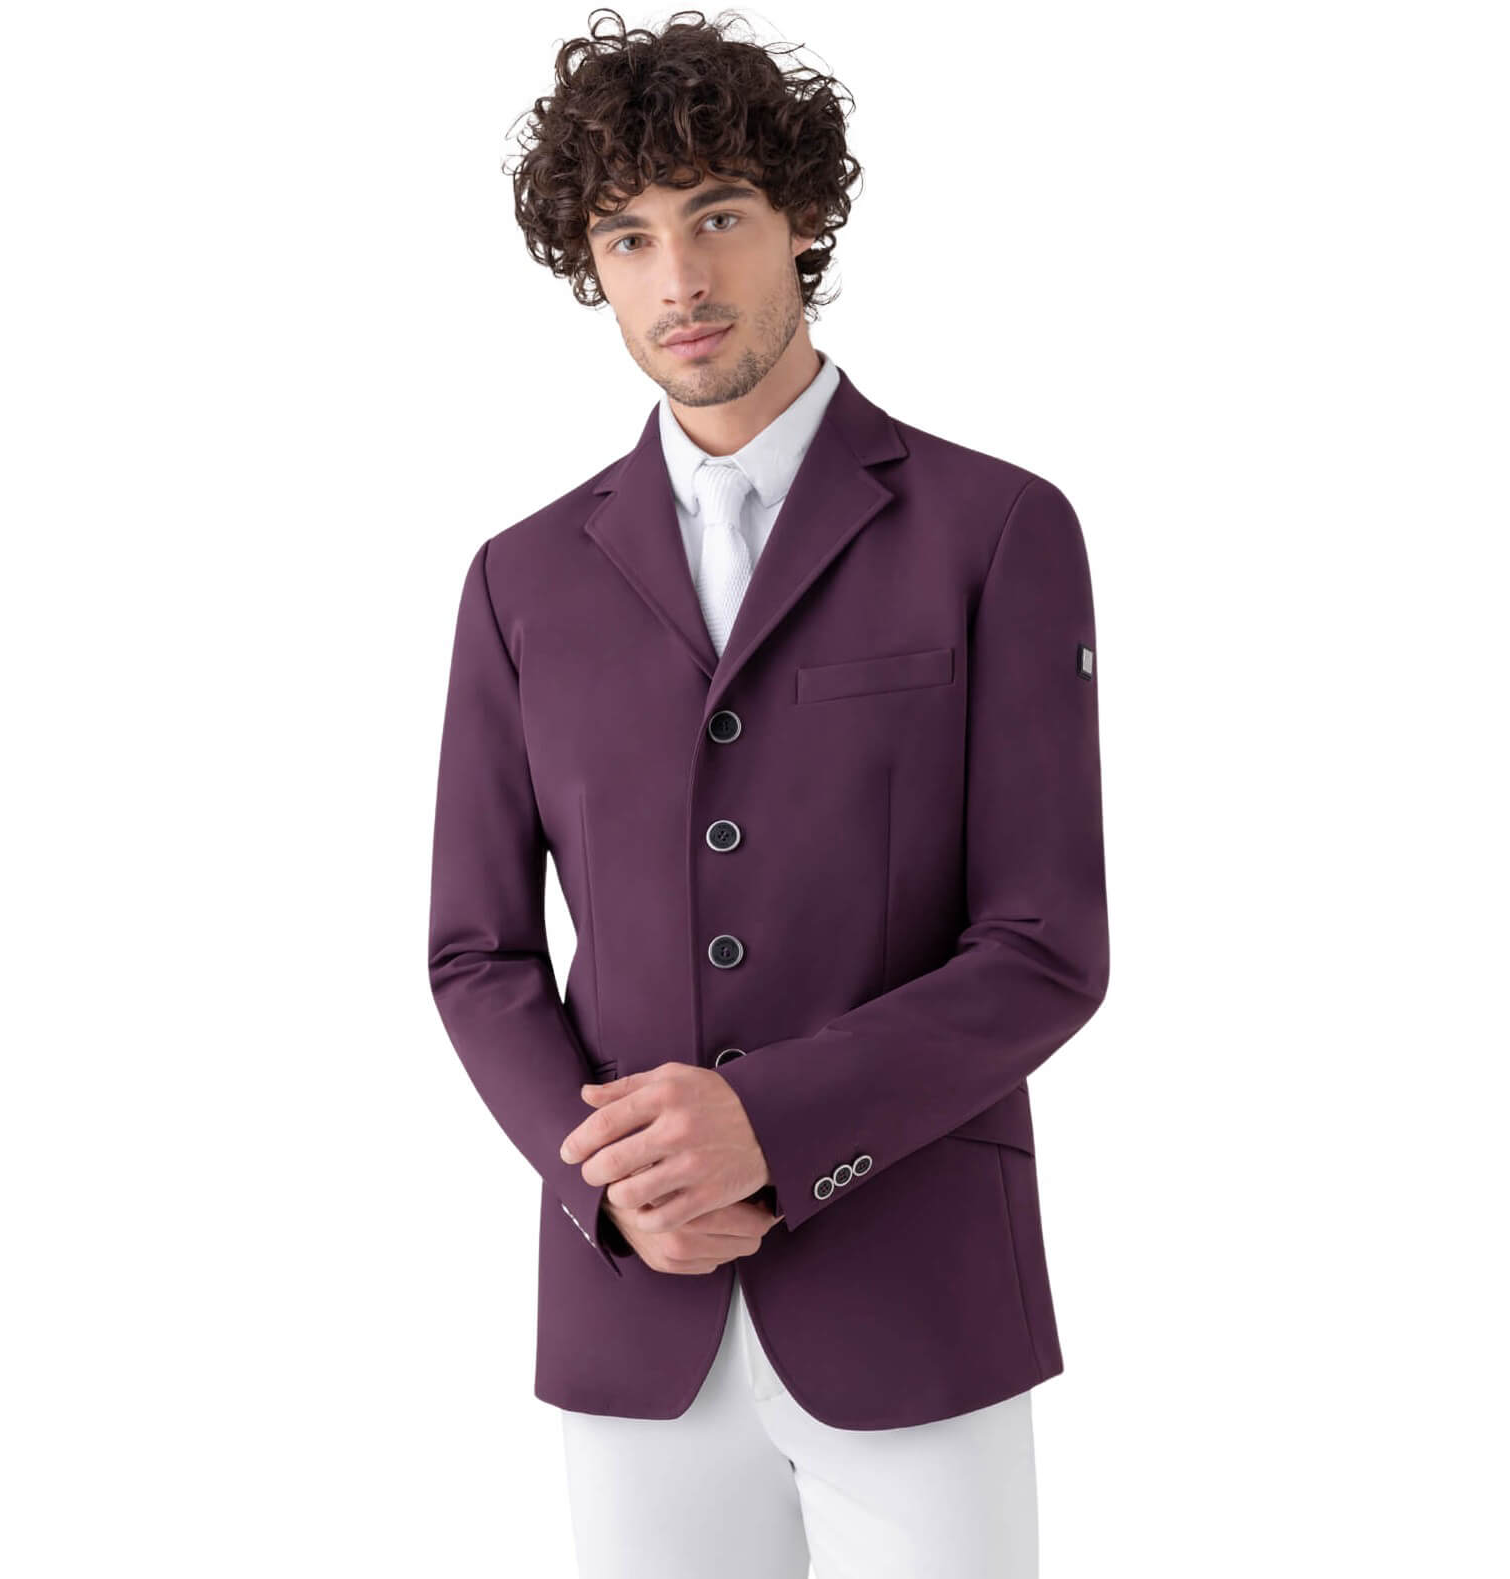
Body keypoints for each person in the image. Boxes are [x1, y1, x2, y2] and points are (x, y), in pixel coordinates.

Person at [427, 10, 1109, 1576]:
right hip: (633, 1311)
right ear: (593, 266)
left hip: (917, 1297)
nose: (680, 278)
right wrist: (613, 1194)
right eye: (629, 237)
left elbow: (1046, 946)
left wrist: (772, 1128)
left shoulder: (996, 529)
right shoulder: (521, 580)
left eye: (718, 216)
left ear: (800, 216)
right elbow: (478, 954)